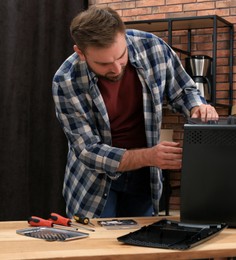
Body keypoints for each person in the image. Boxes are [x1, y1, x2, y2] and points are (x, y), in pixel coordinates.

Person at [52, 6, 218, 219]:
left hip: (145, 177)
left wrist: (197, 107)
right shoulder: (65, 80)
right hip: (94, 183)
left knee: (139, 245)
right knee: (99, 250)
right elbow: (88, 151)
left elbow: (183, 90)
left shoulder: (154, 48)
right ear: (80, 53)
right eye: (103, 63)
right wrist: (150, 155)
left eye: (121, 56)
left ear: (124, 36)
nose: (117, 69)